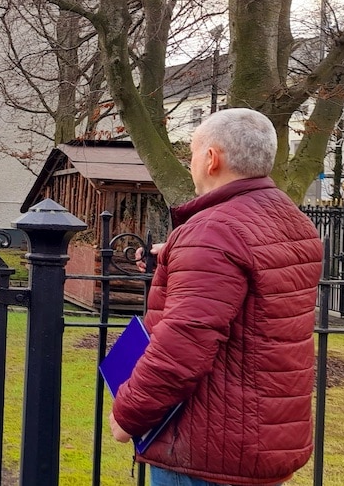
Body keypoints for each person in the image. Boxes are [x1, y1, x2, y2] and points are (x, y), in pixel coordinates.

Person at [109, 108, 323, 485]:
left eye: (192, 153)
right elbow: (258, 296)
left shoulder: (213, 230)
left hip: (207, 444)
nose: (190, 163)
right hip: (265, 439)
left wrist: (129, 414)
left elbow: (183, 343)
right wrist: (179, 254)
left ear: (212, 159)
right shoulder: (292, 222)